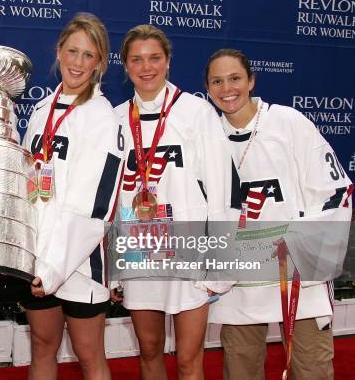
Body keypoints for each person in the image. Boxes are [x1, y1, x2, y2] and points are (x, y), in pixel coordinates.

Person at [205, 48, 353, 380]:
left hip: (297, 274)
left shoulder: (287, 123)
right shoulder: (206, 135)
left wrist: (304, 247)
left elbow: (335, 191)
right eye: (217, 81)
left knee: (311, 368)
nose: (227, 88)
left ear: (251, 80)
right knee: (240, 368)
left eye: (235, 78)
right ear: (208, 88)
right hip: (239, 278)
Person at [110, 25, 235, 380]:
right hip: (138, 250)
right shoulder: (116, 118)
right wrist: (114, 267)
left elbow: (221, 193)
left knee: (187, 358)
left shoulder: (197, 112)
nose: (146, 67)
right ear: (126, 65)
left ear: (168, 61)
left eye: (154, 58)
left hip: (190, 252)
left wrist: (220, 266)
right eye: (136, 59)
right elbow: (112, 196)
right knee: (148, 351)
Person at [21, 12, 123, 380]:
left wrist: (54, 267)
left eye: (88, 55)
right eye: (72, 51)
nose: (78, 63)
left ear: (100, 63)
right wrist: (33, 256)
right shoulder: (40, 110)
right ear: (59, 51)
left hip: (79, 261)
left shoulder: (102, 118)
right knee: (42, 347)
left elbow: (96, 209)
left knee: (88, 354)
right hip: (38, 256)